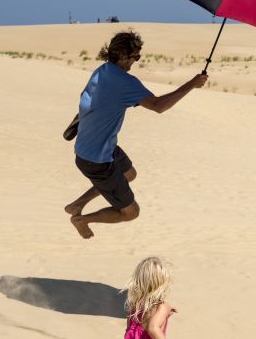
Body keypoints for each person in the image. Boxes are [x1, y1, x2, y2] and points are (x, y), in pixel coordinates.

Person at [65, 31, 208, 239]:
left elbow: (85, 97)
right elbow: (159, 106)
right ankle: (81, 219)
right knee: (130, 212)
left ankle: (77, 204)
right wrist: (192, 84)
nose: (136, 62)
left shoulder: (102, 71)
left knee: (129, 173)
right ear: (123, 56)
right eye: (136, 57)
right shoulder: (125, 82)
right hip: (97, 161)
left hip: (96, 147)